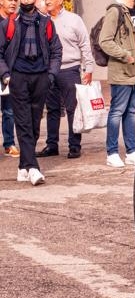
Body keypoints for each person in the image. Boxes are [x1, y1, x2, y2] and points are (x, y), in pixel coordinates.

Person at [0, 0, 62, 185]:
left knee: (34, 123)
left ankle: (22, 167)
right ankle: (33, 168)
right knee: (24, 122)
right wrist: (5, 75)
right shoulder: (9, 23)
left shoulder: (45, 21)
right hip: (18, 77)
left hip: (41, 77)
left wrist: (51, 74)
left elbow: (56, 50)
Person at [36, 0, 94, 159]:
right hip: (48, 71)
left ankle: (74, 146)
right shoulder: (41, 20)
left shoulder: (74, 19)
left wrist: (88, 68)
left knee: (72, 110)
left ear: (60, 1)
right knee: (52, 109)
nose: (47, 1)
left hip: (69, 70)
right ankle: (51, 145)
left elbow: (85, 45)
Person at [99, 0, 135, 167]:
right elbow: (104, 41)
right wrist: (124, 54)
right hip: (122, 70)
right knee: (117, 111)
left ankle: (131, 151)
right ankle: (112, 152)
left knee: (131, 111)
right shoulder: (115, 11)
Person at [0, 0, 20, 158]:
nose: (13, 3)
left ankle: (9, 144)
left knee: (9, 110)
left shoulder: (17, 21)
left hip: (9, 73)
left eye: (16, 0)